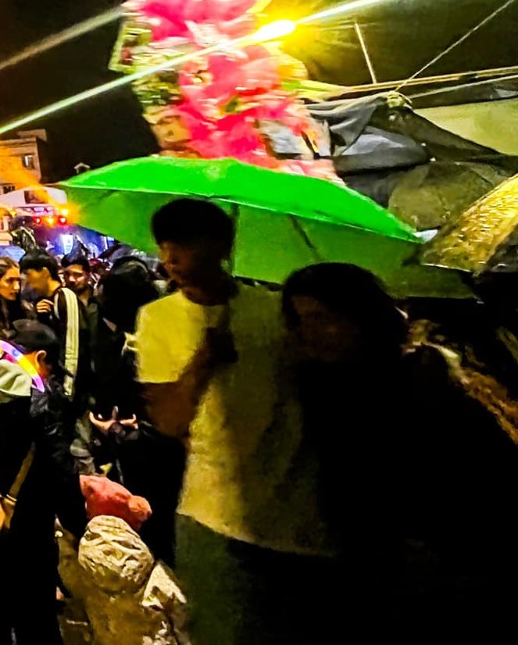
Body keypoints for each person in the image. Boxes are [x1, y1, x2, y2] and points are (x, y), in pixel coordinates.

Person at [133, 199, 333, 645]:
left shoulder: (277, 313)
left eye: (184, 246)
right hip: (211, 516)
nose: (172, 260)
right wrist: (202, 364)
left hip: (295, 517)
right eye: (165, 248)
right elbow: (167, 420)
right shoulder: (157, 319)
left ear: (222, 246)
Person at [281, 262, 518, 639]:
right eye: (300, 319)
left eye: (324, 318)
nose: (311, 332)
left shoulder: (422, 379)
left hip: (436, 563)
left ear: (361, 316)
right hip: (363, 561)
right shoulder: (319, 384)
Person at [0, 321, 88, 645]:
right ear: (40, 358)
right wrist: (78, 524)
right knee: (36, 625)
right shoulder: (43, 401)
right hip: (26, 534)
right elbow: (61, 468)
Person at [84, 255, 182, 563]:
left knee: (155, 521)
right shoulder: (168, 326)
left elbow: (158, 422)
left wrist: (113, 431)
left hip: (152, 451)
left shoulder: (144, 347)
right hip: (164, 453)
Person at [19, 252, 82, 399]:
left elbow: (72, 345)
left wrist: (67, 389)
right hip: (52, 382)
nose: (26, 280)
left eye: (28, 274)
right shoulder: (43, 301)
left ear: (45, 272)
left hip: (68, 386)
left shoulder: (65, 296)